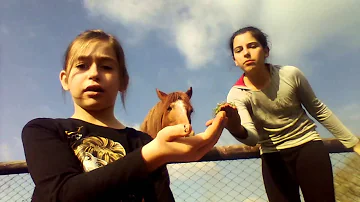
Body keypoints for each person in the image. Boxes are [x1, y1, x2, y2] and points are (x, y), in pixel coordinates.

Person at [21, 29, 227, 202]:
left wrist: (157, 153)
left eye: (106, 66)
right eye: (82, 65)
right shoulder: (42, 131)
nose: (94, 73)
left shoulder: (143, 142)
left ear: (123, 81)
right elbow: (58, 195)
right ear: (65, 79)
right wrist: (152, 155)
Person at [217, 26, 360, 202]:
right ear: (235, 60)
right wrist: (235, 127)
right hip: (272, 156)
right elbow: (252, 138)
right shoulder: (236, 94)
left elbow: (318, 109)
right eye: (239, 50)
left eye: (252, 46)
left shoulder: (290, 74)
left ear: (266, 51)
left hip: (308, 146)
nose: (246, 53)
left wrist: (353, 143)